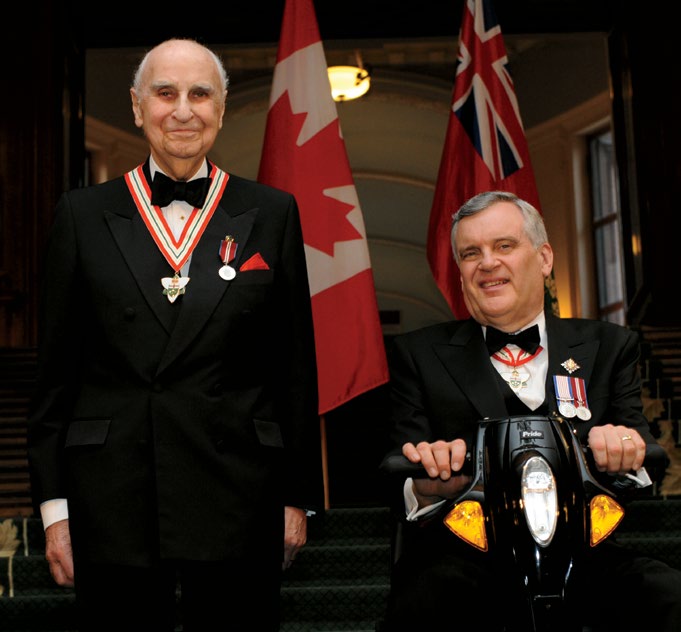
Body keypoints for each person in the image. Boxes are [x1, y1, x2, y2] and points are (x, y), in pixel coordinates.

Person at [27, 38, 323, 632]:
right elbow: (55, 375)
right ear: (138, 107)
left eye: (199, 94)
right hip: (113, 496)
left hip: (239, 492)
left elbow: (293, 367)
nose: (182, 110)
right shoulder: (81, 215)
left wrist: (297, 496)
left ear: (221, 107)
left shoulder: (272, 212)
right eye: (165, 93)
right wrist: (55, 510)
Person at [380, 190, 681, 631]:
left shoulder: (610, 346)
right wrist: (429, 486)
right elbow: (401, 470)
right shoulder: (417, 354)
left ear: (543, 259)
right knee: (423, 606)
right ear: (460, 274)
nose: (487, 262)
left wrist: (624, 449)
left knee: (669, 596)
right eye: (470, 253)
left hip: (586, 555)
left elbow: (640, 455)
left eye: (504, 246)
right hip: (468, 560)